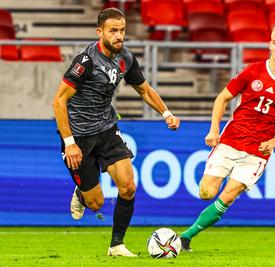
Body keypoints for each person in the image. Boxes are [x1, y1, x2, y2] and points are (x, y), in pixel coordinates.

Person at [52, 8, 180, 257]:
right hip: (78, 137)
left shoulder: (126, 58)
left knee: (129, 187)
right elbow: (58, 101)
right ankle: (82, 191)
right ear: (100, 32)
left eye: (122, 30)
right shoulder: (85, 62)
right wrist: (69, 143)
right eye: (113, 31)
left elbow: (143, 89)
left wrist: (166, 113)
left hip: (107, 128)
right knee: (95, 203)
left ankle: (116, 245)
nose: (119, 35)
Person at [180, 24, 275, 251]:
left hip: (257, 152)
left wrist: (274, 142)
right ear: (270, 44)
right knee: (206, 193)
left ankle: (186, 236)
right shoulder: (253, 71)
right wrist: (214, 130)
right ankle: (192, 229)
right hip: (230, 141)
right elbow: (222, 98)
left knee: (230, 194)